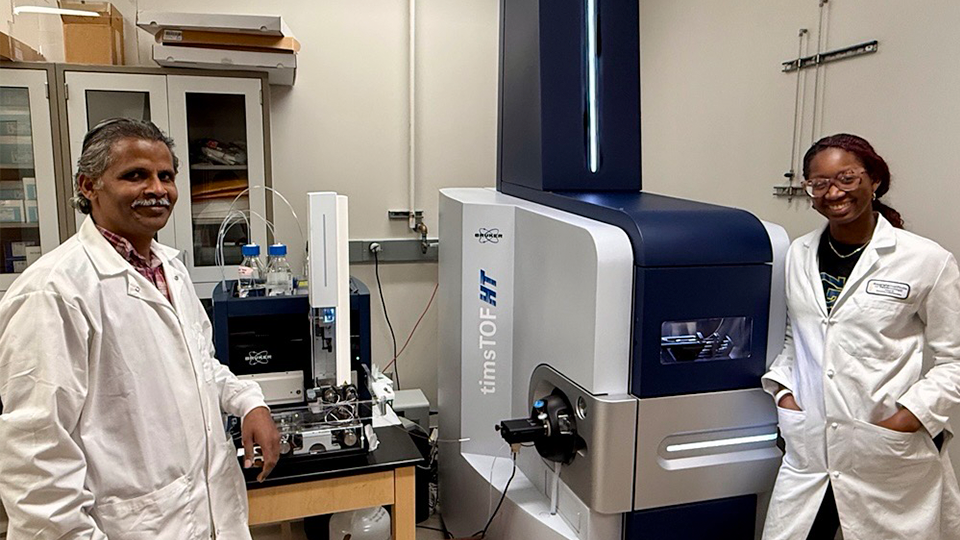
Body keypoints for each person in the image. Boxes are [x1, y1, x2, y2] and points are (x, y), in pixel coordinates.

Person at [0, 118, 280, 539]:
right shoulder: (53, 291)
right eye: (135, 175)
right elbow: (36, 455)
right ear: (88, 186)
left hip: (209, 517)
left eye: (165, 176)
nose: (157, 189)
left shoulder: (171, 270)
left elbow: (201, 364)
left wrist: (249, 402)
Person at [761, 133, 960, 539]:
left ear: (874, 181)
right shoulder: (797, 254)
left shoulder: (926, 260)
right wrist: (785, 394)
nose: (833, 192)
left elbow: (953, 360)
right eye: (819, 183)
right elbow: (793, 338)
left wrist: (907, 420)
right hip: (810, 448)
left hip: (884, 449)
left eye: (847, 179)